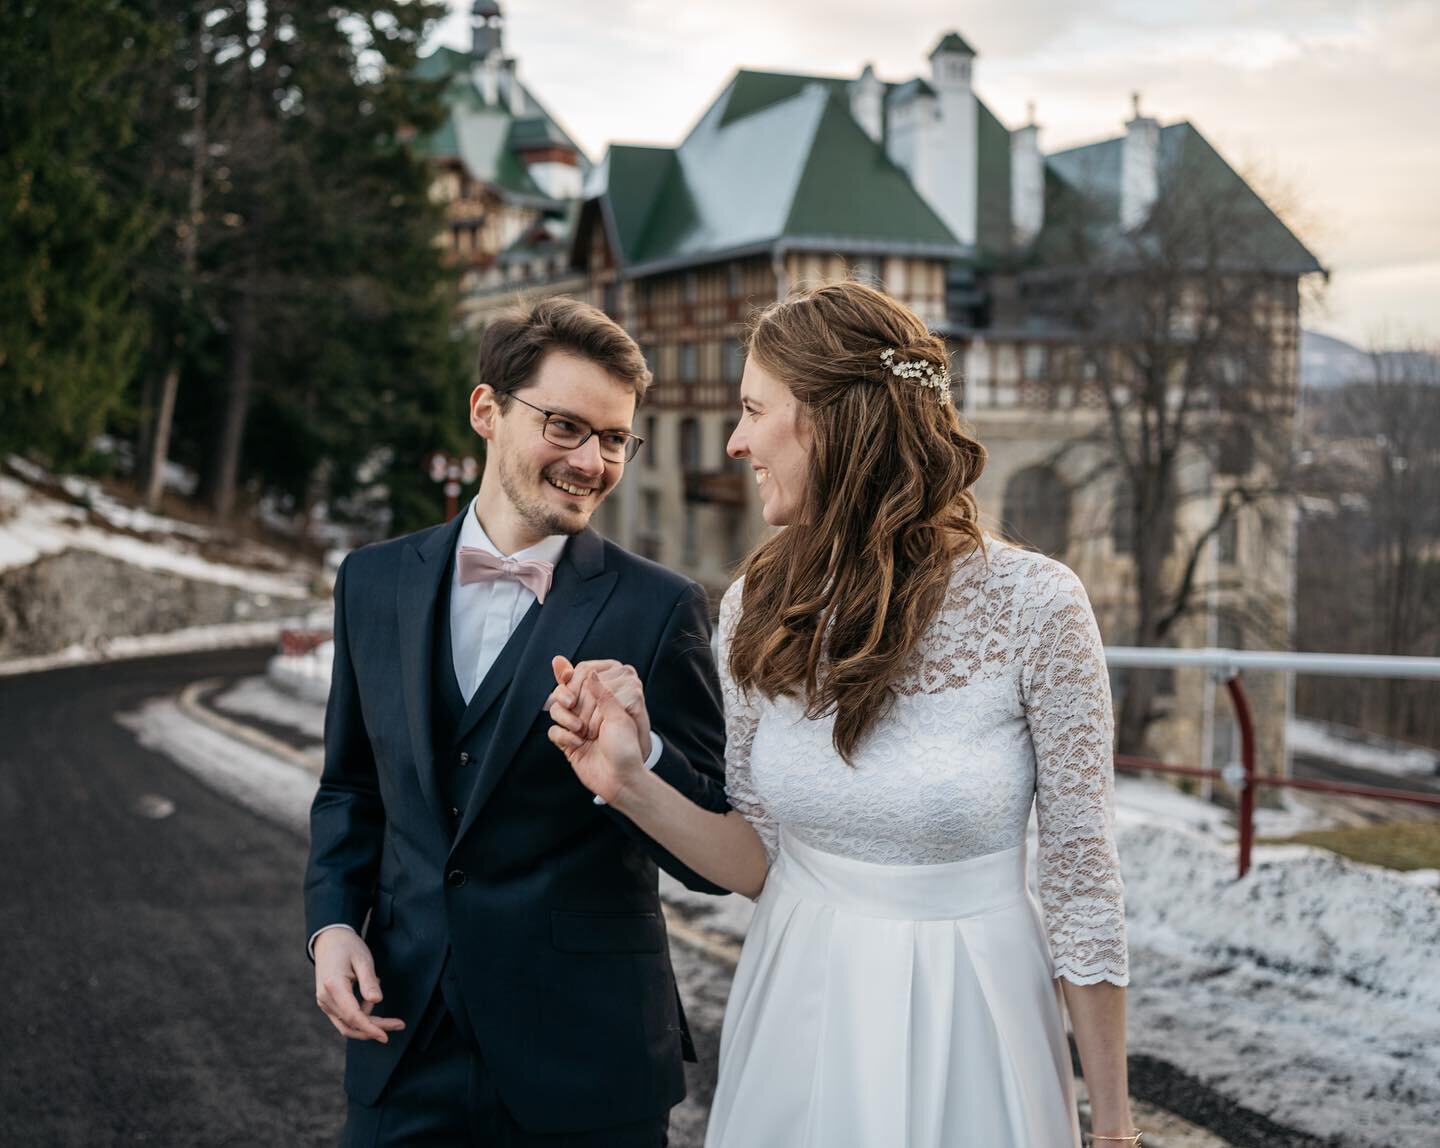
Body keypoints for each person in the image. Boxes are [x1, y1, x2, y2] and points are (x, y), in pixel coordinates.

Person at [548, 280, 1138, 1147]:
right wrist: (630, 783)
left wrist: (1115, 1131)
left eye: (754, 409)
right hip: (797, 1007)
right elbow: (757, 860)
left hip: (970, 1018)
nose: (736, 441)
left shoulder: (1037, 605)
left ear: (833, 420)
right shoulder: (759, 603)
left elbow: (1083, 884)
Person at [304, 296, 730, 1146]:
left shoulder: (661, 608)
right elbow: (352, 786)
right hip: (403, 1042)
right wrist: (332, 927)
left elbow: (716, 852)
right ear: (486, 411)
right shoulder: (372, 582)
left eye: (615, 439)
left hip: (587, 1063)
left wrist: (635, 759)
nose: (592, 462)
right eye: (566, 427)